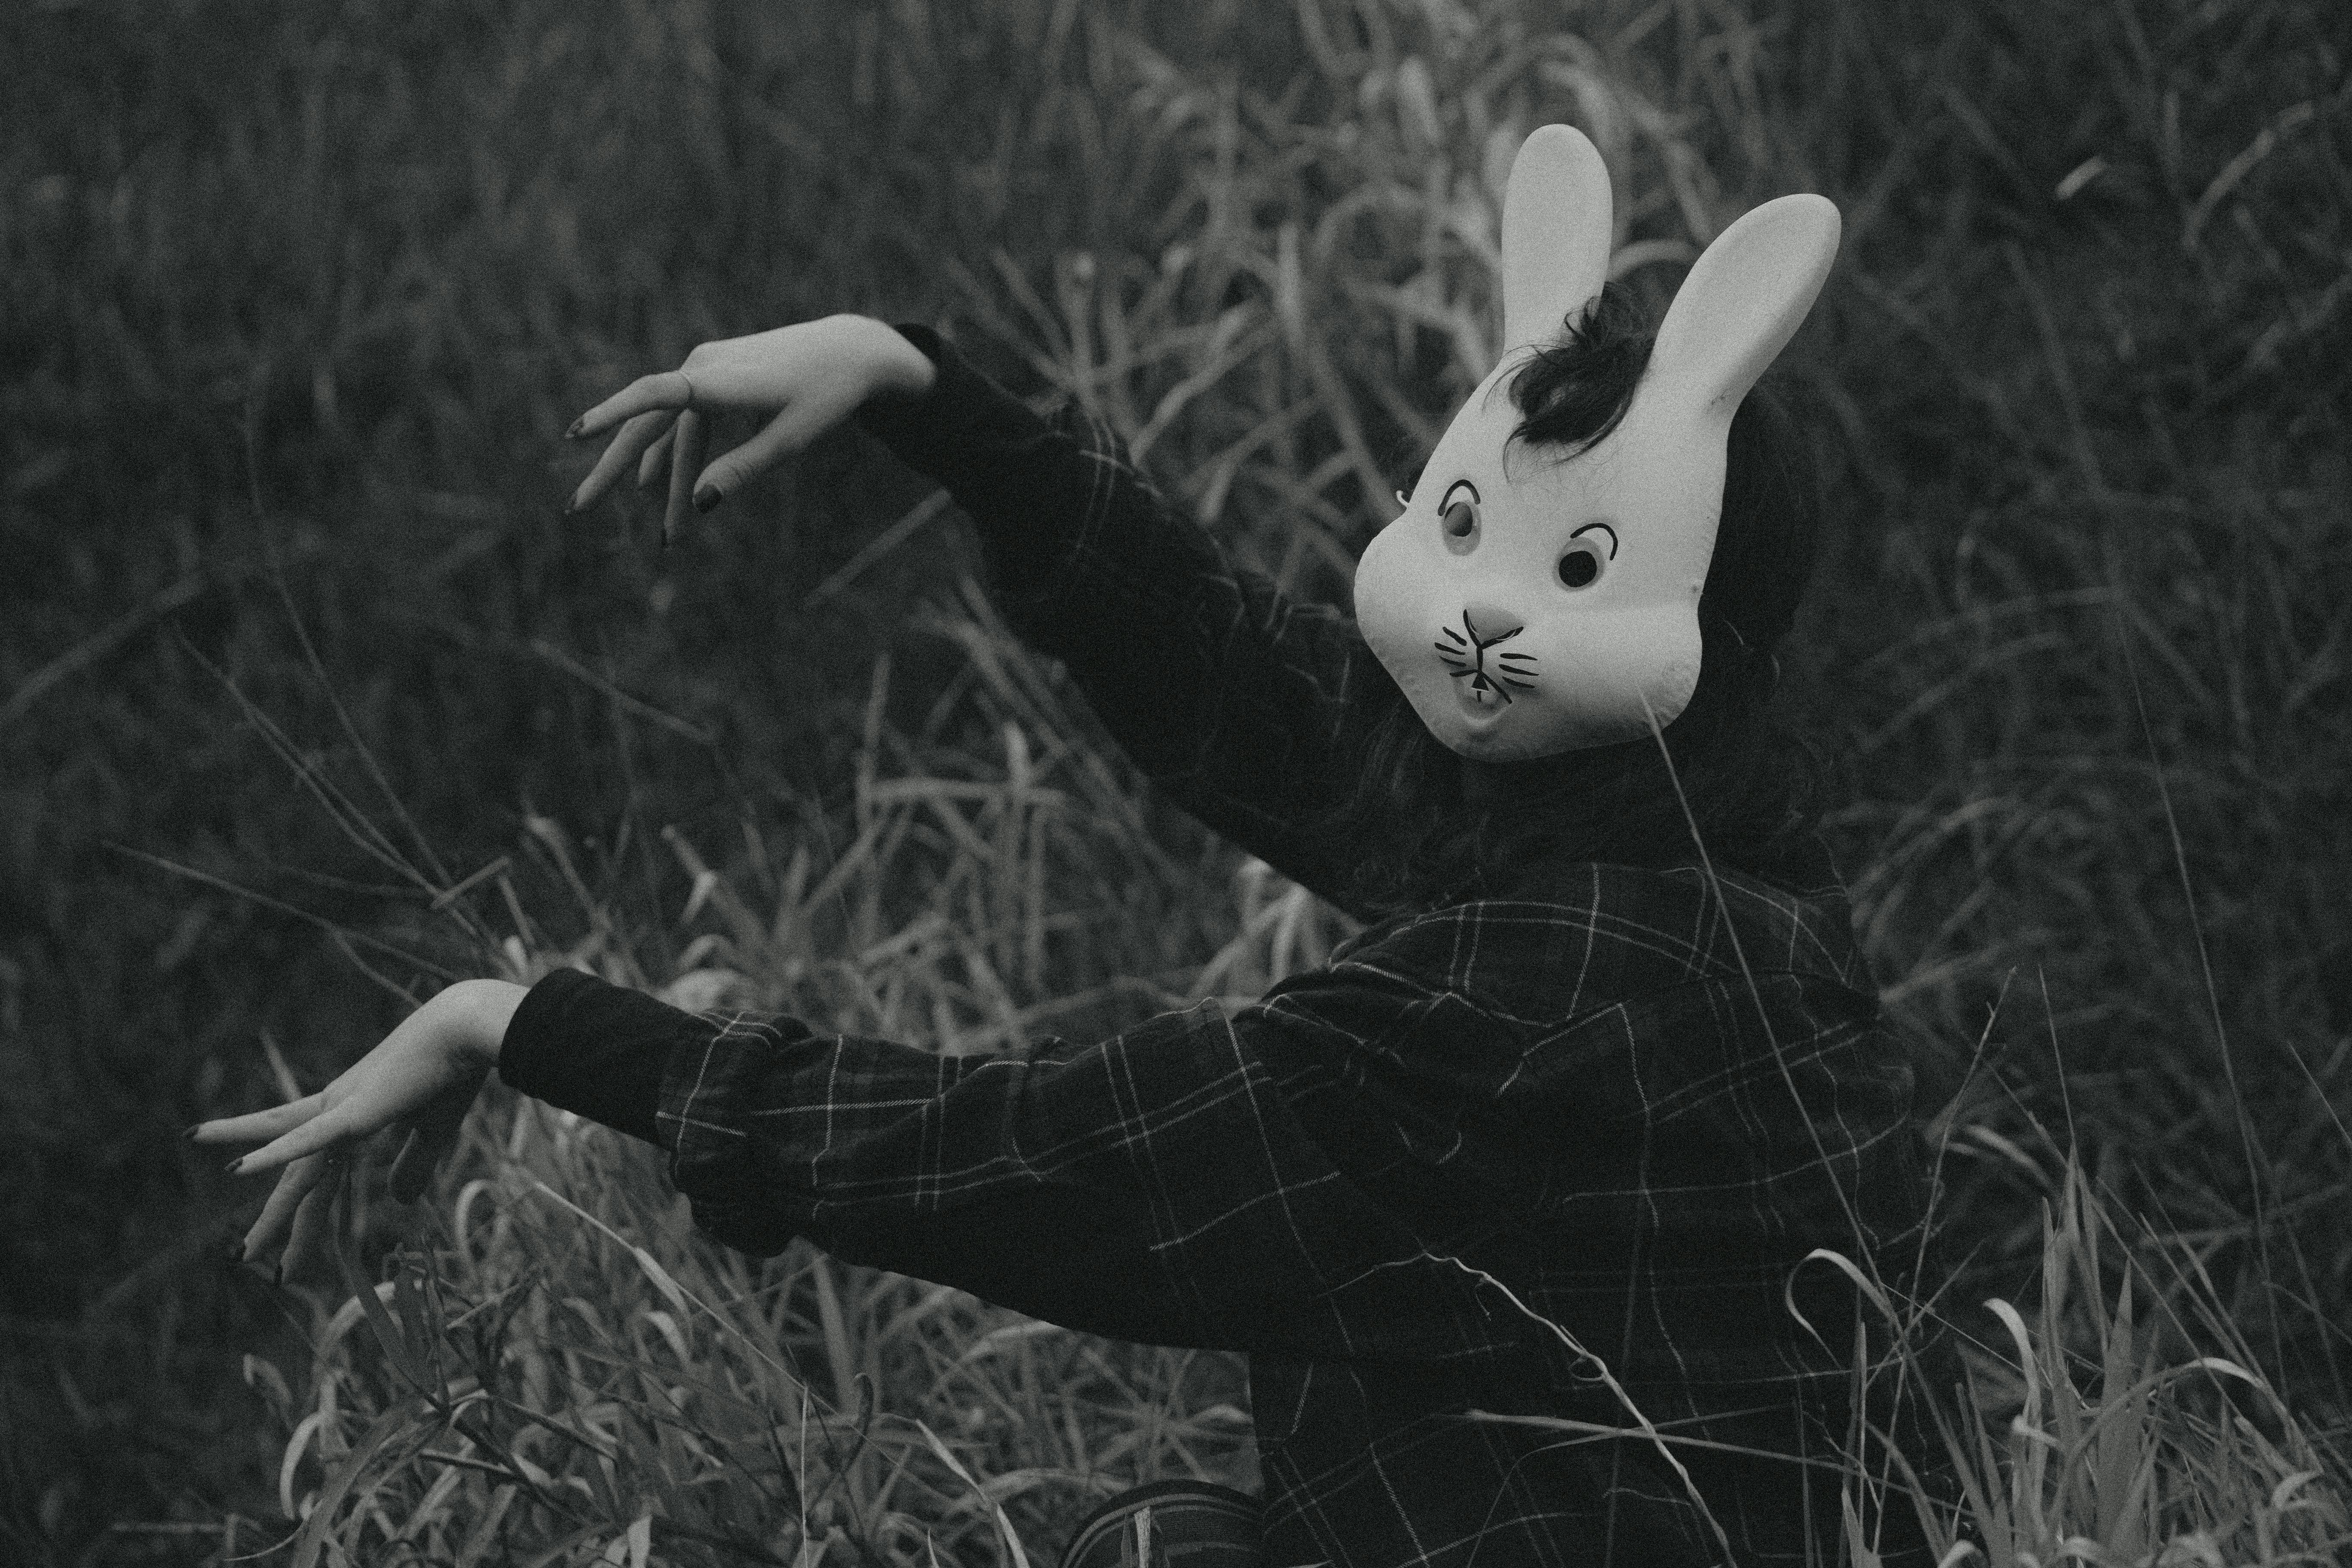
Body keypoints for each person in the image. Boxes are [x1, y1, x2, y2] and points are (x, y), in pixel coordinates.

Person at [193, 129, 1960, 1567]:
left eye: (1574, 571)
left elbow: (1036, 1163)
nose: (1483, 625)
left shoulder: (1545, 1004)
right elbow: (1253, 689)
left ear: (1699, 628)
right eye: (1472, 533)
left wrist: (529, 1028)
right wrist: (923, 393)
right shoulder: (1692, 860)